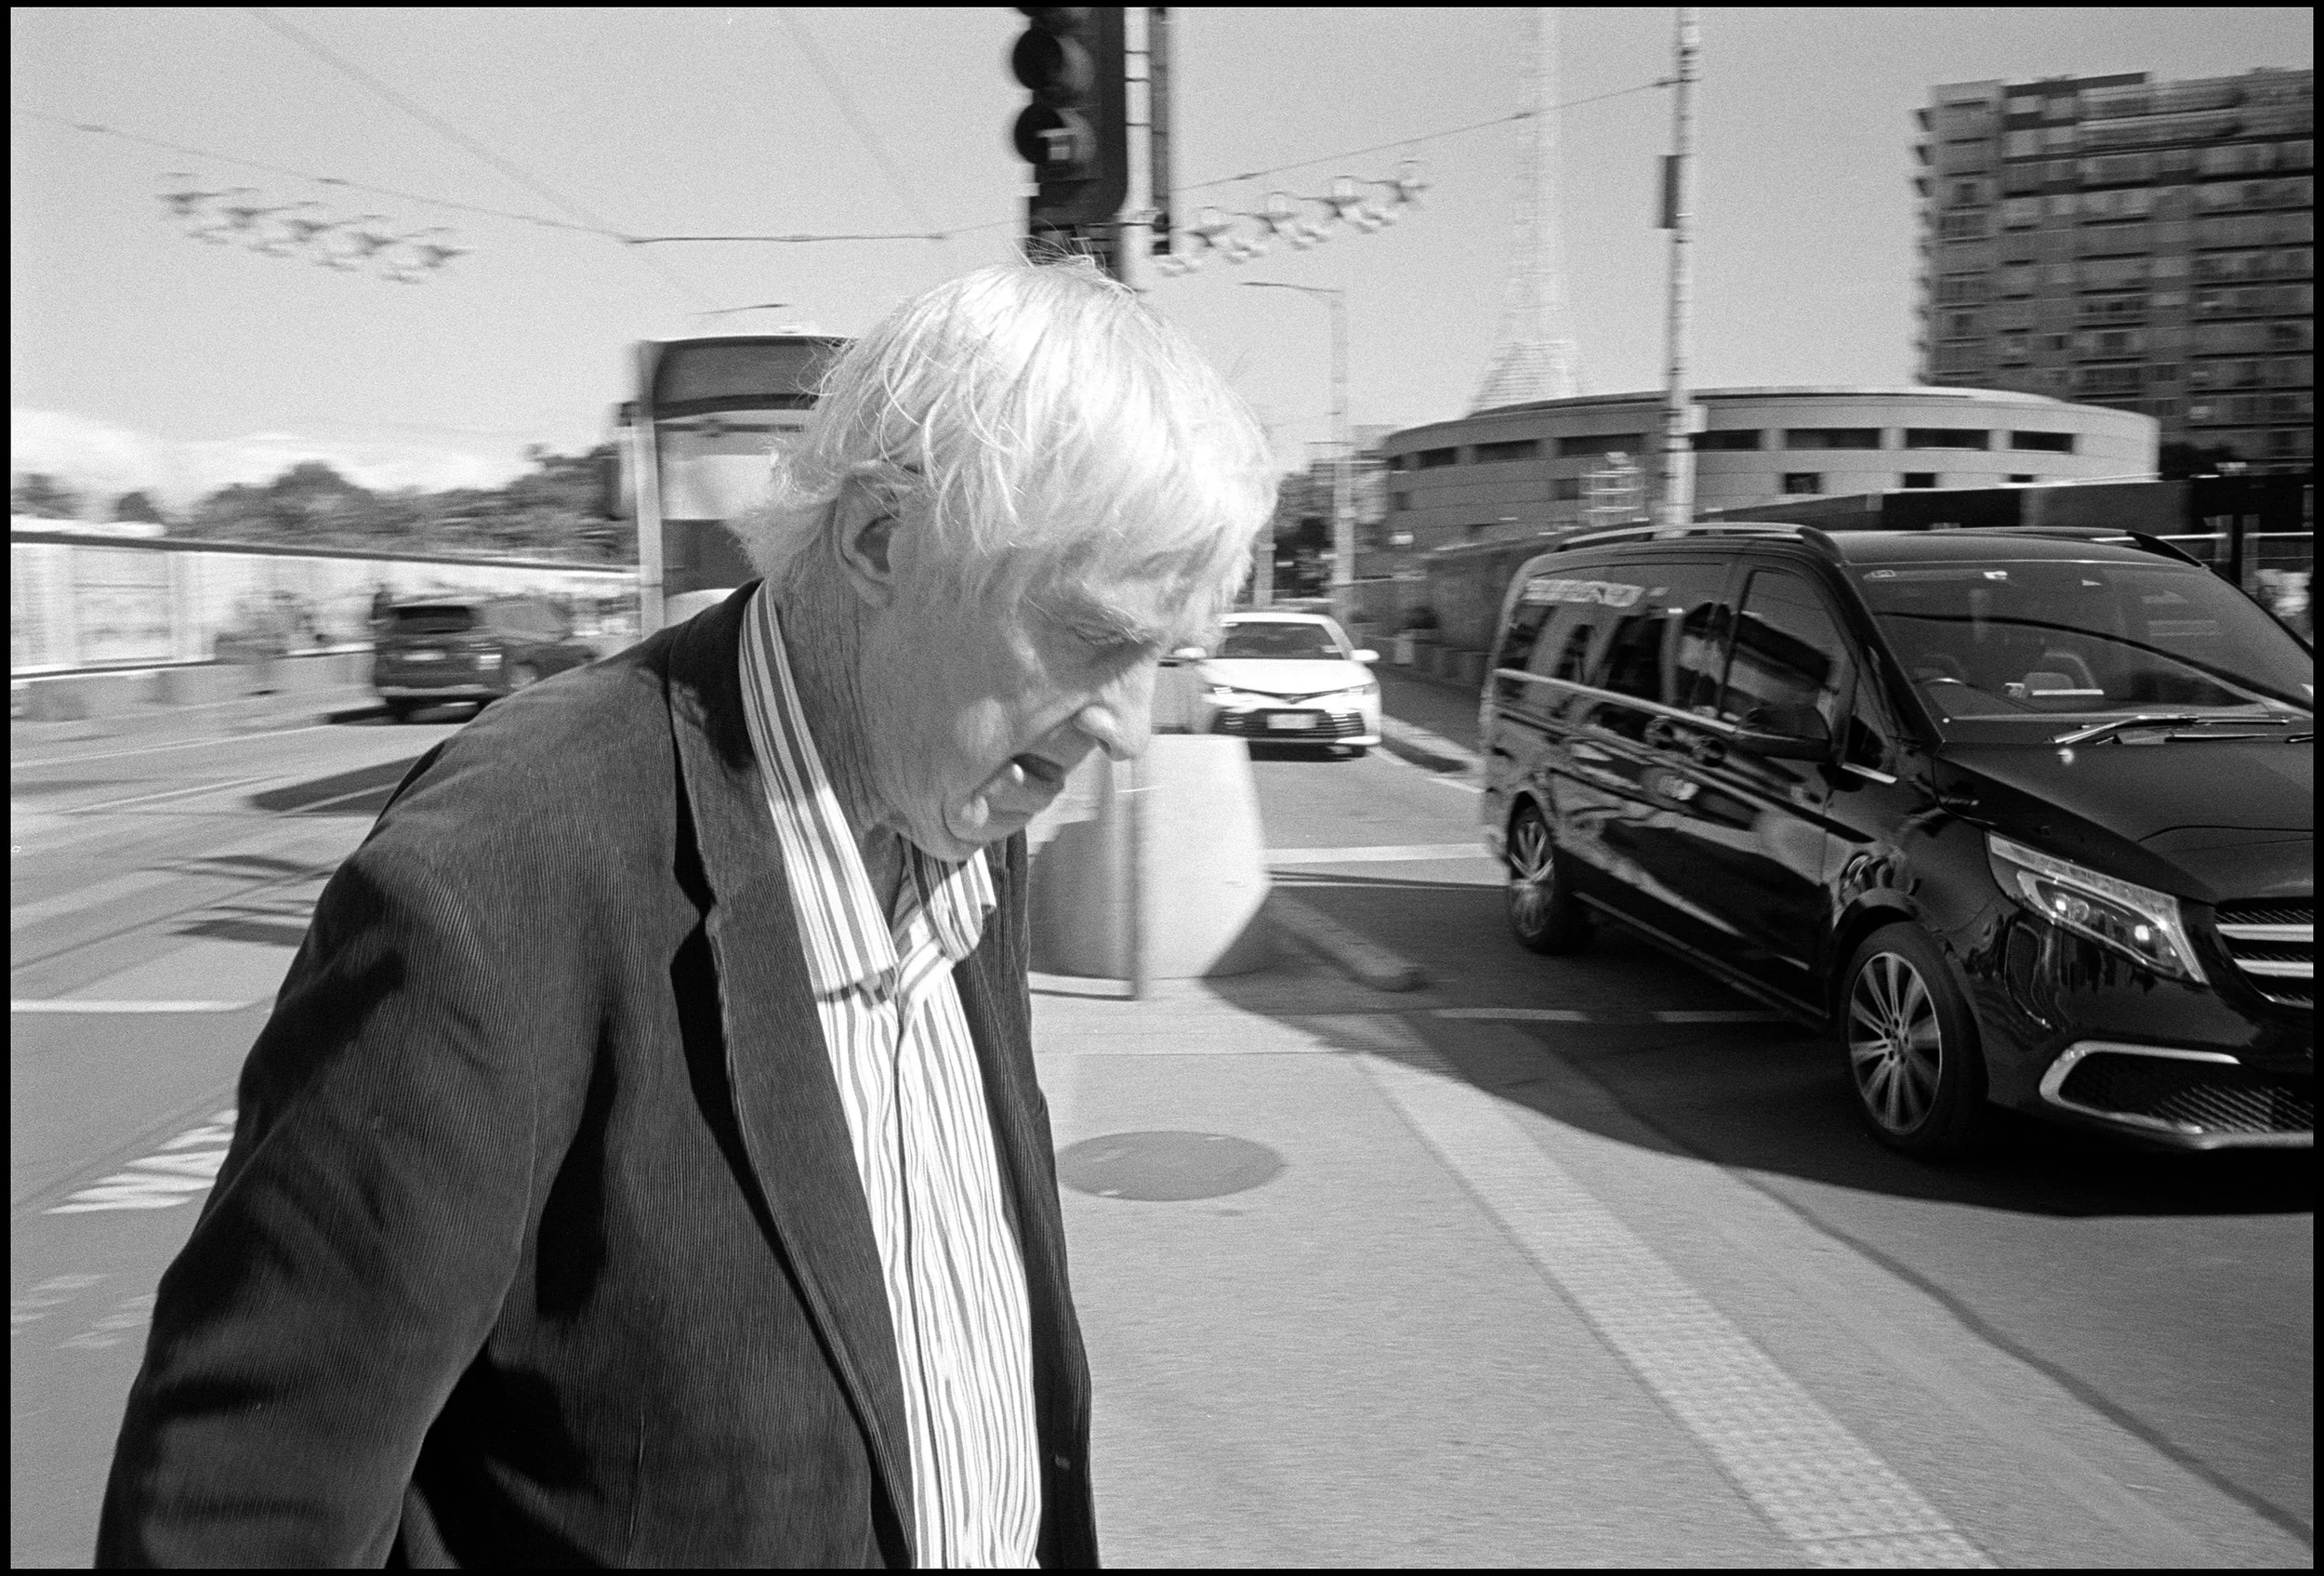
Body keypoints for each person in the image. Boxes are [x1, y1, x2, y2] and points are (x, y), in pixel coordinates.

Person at [95, 259, 1274, 1568]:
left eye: (1158, 659)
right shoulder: (500, 877)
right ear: (882, 539)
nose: (1126, 727)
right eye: (1093, 637)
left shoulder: (970, 812)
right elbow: (241, 1513)